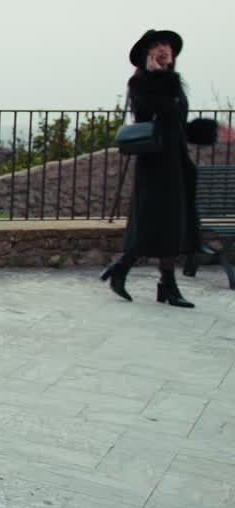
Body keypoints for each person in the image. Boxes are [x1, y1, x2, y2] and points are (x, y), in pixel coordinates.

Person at [101, 29, 234, 307]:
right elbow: (154, 113)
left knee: (170, 226)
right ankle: (148, 278)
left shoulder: (172, 83)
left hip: (176, 162)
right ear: (146, 54)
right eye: (156, 46)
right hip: (155, 164)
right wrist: (160, 77)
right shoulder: (140, 84)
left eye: (166, 45)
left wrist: (212, 130)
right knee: (156, 224)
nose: (163, 50)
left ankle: (149, 279)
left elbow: (178, 126)